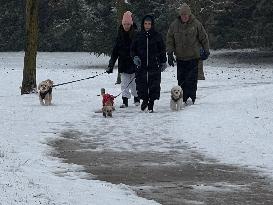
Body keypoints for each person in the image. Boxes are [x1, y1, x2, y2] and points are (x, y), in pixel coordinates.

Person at [166, 3, 210, 104]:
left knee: (191, 79)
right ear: (180, 15)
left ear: (189, 15)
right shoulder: (174, 25)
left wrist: (206, 51)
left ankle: (191, 97)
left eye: (186, 15)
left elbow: (204, 38)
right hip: (180, 58)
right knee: (181, 79)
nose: (184, 16)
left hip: (193, 58)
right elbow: (169, 40)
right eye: (182, 15)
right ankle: (182, 98)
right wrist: (169, 53)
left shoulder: (196, 24)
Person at [131, 14, 167, 113]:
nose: (147, 25)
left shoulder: (157, 36)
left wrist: (163, 61)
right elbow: (132, 49)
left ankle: (151, 103)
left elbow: (162, 50)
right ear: (143, 24)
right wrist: (135, 57)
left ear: (152, 24)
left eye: (149, 24)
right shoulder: (138, 36)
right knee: (141, 85)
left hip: (154, 65)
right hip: (141, 65)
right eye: (145, 23)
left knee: (154, 85)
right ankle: (145, 100)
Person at [106, 11, 140, 108]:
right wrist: (110, 66)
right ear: (122, 24)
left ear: (131, 24)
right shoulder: (119, 35)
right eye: (124, 24)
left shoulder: (136, 35)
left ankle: (137, 99)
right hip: (123, 64)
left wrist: (139, 60)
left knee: (134, 84)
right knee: (124, 85)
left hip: (134, 64)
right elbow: (114, 52)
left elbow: (140, 49)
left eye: (128, 24)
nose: (126, 26)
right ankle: (125, 102)